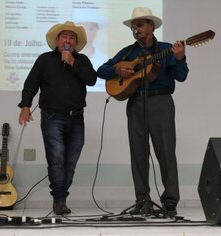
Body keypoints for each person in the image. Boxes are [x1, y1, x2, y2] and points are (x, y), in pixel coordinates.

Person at [97, 7, 189, 217]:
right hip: (136, 103)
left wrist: (181, 58)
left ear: (151, 26)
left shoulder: (167, 49)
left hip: (161, 102)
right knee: (138, 153)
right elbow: (101, 70)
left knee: (166, 152)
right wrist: (117, 70)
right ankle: (142, 200)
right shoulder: (128, 52)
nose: (136, 28)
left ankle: (170, 202)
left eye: (139, 24)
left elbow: (181, 76)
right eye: (133, 26)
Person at [18, 21, 97, 215]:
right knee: (57, 159)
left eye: (72, 37)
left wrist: (72, 63)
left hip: (77, 119)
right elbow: (31, 83)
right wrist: (26, 105)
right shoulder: (44, 59)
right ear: (57, 40)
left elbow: (92, 79)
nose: (68, 40)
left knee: (70, 162)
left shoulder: (82, 60)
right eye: (64, 36)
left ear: (75, 43)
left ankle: (61, 195)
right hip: (52, 117)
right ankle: (59, 199)